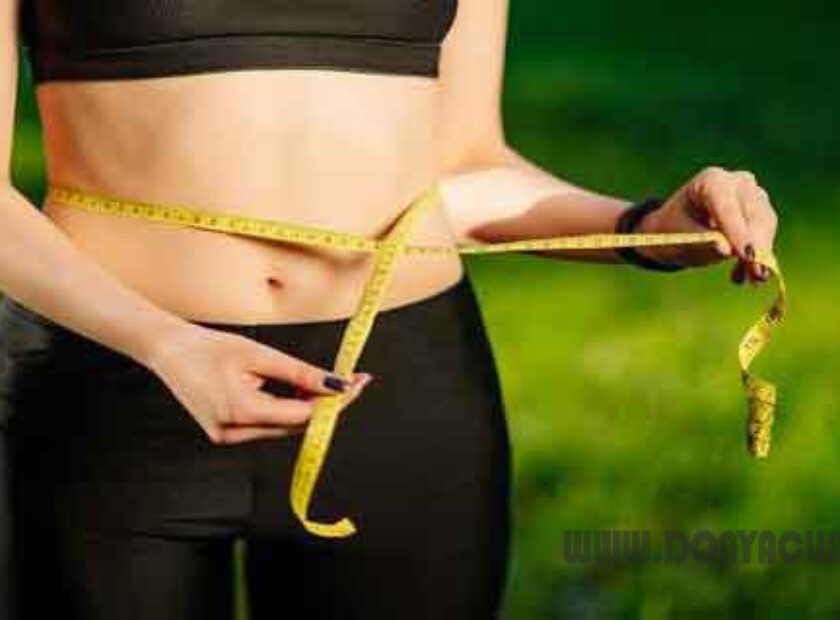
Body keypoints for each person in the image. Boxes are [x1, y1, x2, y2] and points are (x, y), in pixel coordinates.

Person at [0, 0, 779, 618]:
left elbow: (464, 171)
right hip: (117, 380)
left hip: (400, 389)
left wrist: (650, 230)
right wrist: (163, 344)